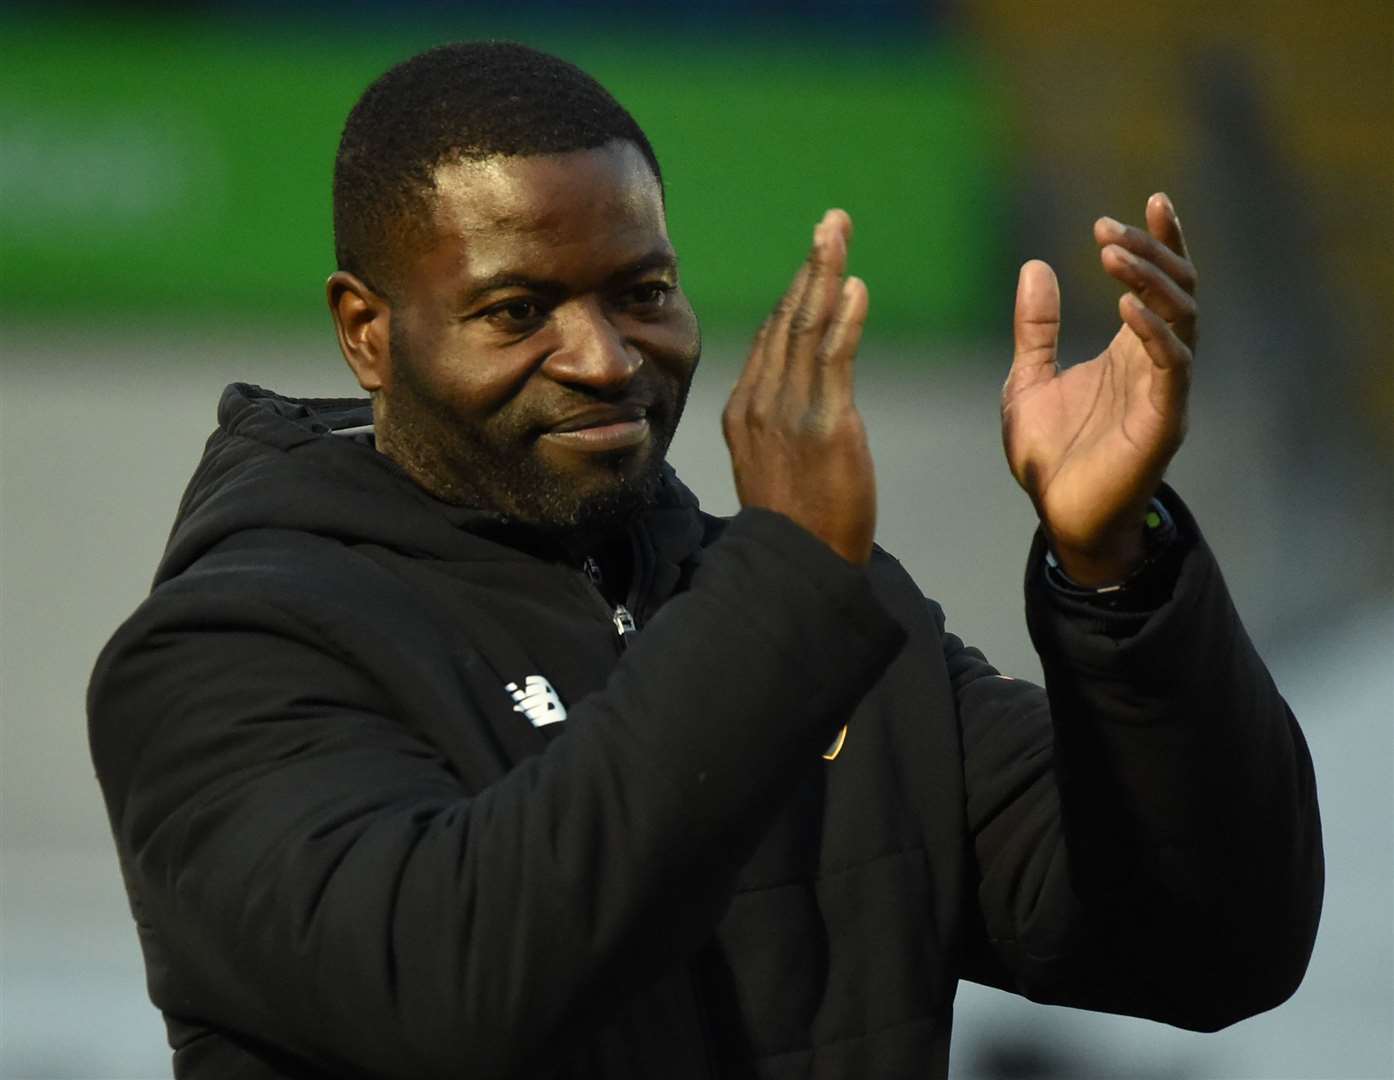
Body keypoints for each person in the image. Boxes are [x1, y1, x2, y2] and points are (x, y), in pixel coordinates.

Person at [87, 41, 1323, 1080]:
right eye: (517, 311)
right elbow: (452, 993)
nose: (605, 357)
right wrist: (782, 588)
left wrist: (1114, 572)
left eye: (642, 290)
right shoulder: (224, 654)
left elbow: (1215, 947)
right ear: (368, 331)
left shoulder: (832, 627)